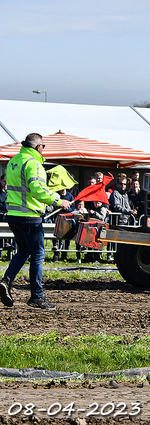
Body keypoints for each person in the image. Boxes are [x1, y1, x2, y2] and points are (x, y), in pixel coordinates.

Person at [0, 133, 72, 310]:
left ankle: (6, 282)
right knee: (38, 255)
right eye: (43, 146)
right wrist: (58, 201)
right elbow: (37, 190)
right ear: (38, 147)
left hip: (13, 214)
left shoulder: (14, 161)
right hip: (30, 216)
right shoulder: (33, 163)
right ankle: (37, 296)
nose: (44, 149)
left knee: (23, 252)